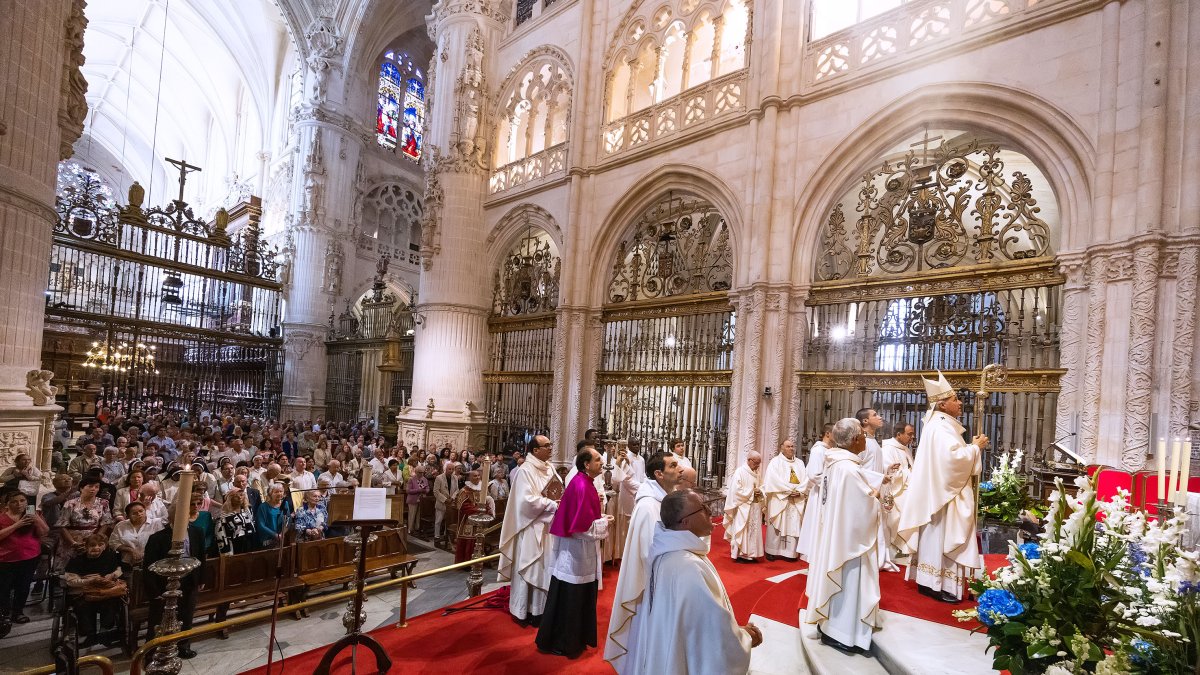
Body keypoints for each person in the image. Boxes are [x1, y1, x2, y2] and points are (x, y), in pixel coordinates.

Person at [632, 490, 761, 675]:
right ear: (685, 522)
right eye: (703, 508)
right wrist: (745, 637)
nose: (710, 512)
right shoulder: (687, 566)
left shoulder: (671, 552)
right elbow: (712, 633)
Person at [803, 417, 892, 654]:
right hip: (849, 545)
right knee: (848, 584)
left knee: (837, 584)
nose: (865, 440)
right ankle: (841, 632)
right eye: (863, 436)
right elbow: (861, 508)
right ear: (854, 440)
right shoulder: (848, 469)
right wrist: (877, 498)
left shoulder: (835, 463)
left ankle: (829, 625)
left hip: (836, 536)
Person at [897, 371, 987, 603]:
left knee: (933, 538)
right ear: (942, 404)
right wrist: (975, 448)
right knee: (939, 538)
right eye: (955, 399)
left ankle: (930, 582)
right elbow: (952, 460)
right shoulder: (940, 426)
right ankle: (937, 583)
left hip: (939, 494)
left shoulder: (939, 424)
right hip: (943, 498)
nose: (960, 403)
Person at [604, 452, 681, 673]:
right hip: (650, 586)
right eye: (674, 465)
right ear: (658, 473)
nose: (680, 469)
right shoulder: (648, 506)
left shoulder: (665, 498)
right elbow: (650, 554)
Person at [535, 448, 611, 658]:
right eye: (597, 460)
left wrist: (600, 517)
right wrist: (604, 522)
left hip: (578, 553)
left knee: (574, 597)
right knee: (571, 600)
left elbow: (583, 517)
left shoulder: (584, 482)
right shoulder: (580, 485)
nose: (601, 463)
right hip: (575, 555)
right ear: (586, 464)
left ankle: (572, 640)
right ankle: (564, 642)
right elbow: (581, 528)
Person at [497, 435, 559, 626]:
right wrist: (550, 503)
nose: (550, 448)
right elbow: (525, 502)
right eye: (546, 446)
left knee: (545, 568)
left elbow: (557, 490)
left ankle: (541, 611)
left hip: (548, 528)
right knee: (531, 566)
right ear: (535, 450)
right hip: (531, 527)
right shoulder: (525, 470)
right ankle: (525, 610)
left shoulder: (551, 468)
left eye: (550, 445)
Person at [143, 519, 207, 659]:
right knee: (158, 617)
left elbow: (201, 555)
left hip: (190, 578)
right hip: (164, 582)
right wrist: (153, 591)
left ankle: (183, 646)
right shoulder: (158, 537)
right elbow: (149, 566)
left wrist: (201, 579)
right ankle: (152, 651)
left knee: (187, 614)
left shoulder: (197, 531)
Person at [0, 489, 50, 634]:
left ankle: (18, 612)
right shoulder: (2, 517)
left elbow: (44, 532)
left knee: (23, 586)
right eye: (14, 502)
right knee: (4, 588)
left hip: (29, 557)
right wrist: (17, 524)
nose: (19, 504)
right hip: (6, 559)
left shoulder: (32, 514)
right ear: (7, 504)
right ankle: (4, 614)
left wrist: (37, 520)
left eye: (22, 501)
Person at [63, 533, 124, 648]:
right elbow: (70, 581)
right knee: (83, 606)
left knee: (111, 602)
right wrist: (89, 581)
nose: (96, 548)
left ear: (105, 546)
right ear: (86, 547)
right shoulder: (77, 561)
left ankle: (105, 631)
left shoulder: (110, 557)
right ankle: (89, 635)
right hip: (84, 593)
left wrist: (111, 575)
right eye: (92, 545)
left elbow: (119, 570)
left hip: (104, 592)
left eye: (100, 545)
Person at [762, 439, 809, 562]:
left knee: (793, 525)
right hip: (780, 499)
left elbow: (805, 479)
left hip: (795, 499)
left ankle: (790, 553)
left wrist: (798, 491)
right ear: (781, 448)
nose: (791, 448)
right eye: (788, 446)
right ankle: (771, 551)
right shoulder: (775, 462)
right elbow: (773, 480)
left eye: (793, 446)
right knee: (777, 524)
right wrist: (788, 491)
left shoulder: (799, 463)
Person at [55, 476, 113, 572]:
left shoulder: (103, 503)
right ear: (81, 488)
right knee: (68, 570)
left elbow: (105, 523)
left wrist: (96, 539)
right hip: (71, 539)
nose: (93, 489)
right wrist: (73, 543)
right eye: (90, 486)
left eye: (96, 487)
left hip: (93, 540)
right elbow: (62, 525)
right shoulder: (70, 503)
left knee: (90, 570)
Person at [880, 421, 915, 572]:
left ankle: (906, 550)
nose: (912, 437)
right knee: (897, 519)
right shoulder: (888, 448)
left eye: (913, 434)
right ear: (898, 434)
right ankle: (896, 551)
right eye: (909, 434)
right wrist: (911, 474)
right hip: (896, 490)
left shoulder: (906, 449)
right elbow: (890, 472)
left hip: (907, 488)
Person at [796, 423, 834, 562]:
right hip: (820, 493)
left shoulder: (830, 450)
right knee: (817, 522)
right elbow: (814, 474)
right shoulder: (818, 450)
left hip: (826, 491)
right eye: (835, 432)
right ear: (828, 433)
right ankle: (814, 554)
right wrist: (833, 483)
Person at [722, 452, 764, 563]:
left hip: (754, 506)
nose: (758, 466)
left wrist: (761, 491)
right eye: (756, 463)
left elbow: (761, 486)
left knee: (753, 530)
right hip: (743, 507)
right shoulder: (740, 472)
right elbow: (736, 491)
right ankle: (740, 554)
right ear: (749, 460)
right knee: (742, 530)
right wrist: (751, 492)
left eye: (759, 464)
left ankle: (751, 553)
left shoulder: (757, 473)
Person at [452, 469, 496, 562]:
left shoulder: (481, 489)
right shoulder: (464, 491)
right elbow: (463, 506)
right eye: (475, 476)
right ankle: (466, 562)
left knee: (479, 538)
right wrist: (478, 510)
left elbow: (485, 502)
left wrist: (488, 510)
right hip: (467, 521)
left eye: (478, 476)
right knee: (469, 540)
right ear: (469, 477)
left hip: (480, 519)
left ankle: (478, 561)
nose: (477, 477)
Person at [108, 502, 159, 570]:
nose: (139, 514)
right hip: (127, 564)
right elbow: (113, 543)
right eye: (134, 513)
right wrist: (131, 550)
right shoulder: (120, 526)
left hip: (151, 563)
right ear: (128, 516)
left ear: (145, 510)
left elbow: (160, 543)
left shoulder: (156, 523)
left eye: (141, 511)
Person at [216, 489, 257, 555]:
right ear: (230, 498)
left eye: (241, 495)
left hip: (250, 542)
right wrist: (227, 552)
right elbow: (221, 535)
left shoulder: (247, 510)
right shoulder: (224, 516)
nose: (240, 498)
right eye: (236, 496)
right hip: (235, 545)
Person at [433, 462, 462, 541]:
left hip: (451, 502)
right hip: (441, 502)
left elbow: (457, 489)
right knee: (439, 520)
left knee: (449, 520)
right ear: (445, 469)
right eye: (449, 469)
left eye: (453, 469)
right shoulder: (439, 478)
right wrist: (445, 499)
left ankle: (446, 535)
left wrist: (452, 498)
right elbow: (436, 491)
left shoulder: (455, 477)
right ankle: (437, 536)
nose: (451, 470)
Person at [255, 483, 289, 548]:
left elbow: (288, 519)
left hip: (282, 537)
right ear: (270, 493)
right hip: (268, 540)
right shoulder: (263, 507)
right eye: (276, 492)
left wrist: (282, 533)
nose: (279, 493)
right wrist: (275, 535)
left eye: (281, 491)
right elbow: (261, 525)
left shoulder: (285, 503)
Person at [405, 466, 429, 533]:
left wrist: (426, 491)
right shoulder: (411, 479)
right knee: (412, 515)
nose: (421, 474)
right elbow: (408, 491)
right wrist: (418, 490)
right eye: (419, 472)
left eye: (422, 472)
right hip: (413, 500)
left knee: (419, 515)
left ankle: (417, 528)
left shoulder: (424, 479)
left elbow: (427, 488)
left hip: (422, 500)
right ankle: (410, 529)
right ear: (416, 472)